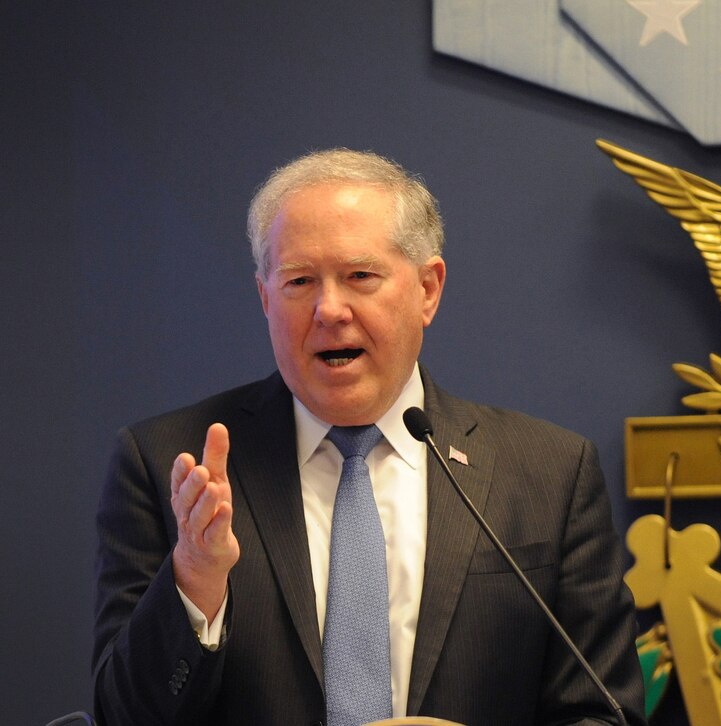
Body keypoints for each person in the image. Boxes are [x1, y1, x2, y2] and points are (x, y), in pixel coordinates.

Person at [92, 149, 646, 726]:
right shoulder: (167, 467)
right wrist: (195, 584)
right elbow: (124, 715)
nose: (330, 309)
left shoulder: (549, 474)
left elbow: (606, 714)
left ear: (427, 290)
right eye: (299, 281)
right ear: (264, 299)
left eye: (360, 276)